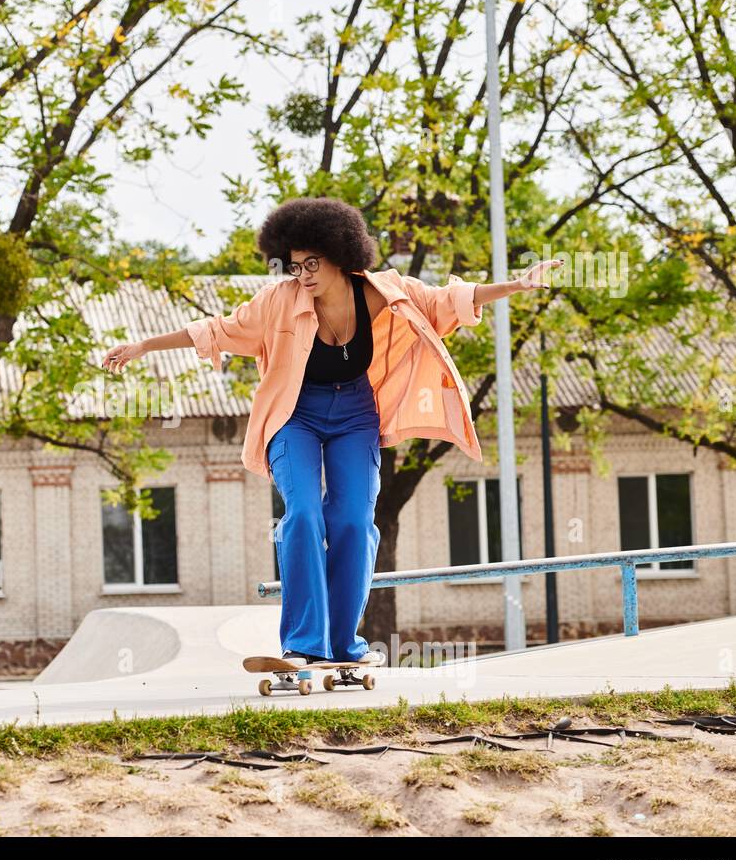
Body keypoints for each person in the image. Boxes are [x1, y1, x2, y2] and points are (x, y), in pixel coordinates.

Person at [102, 196, 561, 666]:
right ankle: (304, 643)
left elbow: (449, 299)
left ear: (341, 253)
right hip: (294, 415)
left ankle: (343, 645)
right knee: (302, 515)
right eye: (296, 266)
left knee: (353, 522)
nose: (304, 275)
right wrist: (143, 345)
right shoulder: (278, 302)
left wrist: (520, 284)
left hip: (356, 415)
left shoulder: (383, 291)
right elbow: (217, 329)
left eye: (313, 263)